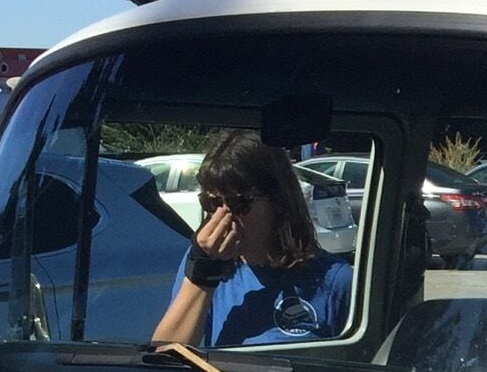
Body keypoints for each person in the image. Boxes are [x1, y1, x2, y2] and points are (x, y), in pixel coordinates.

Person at [151, 131, 353, 347]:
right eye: (212, 203)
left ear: (277, 201)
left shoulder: (335, 281)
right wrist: (202, 278)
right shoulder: (205, 267)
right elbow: (165, 354)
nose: (224, 215)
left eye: (238, 203)